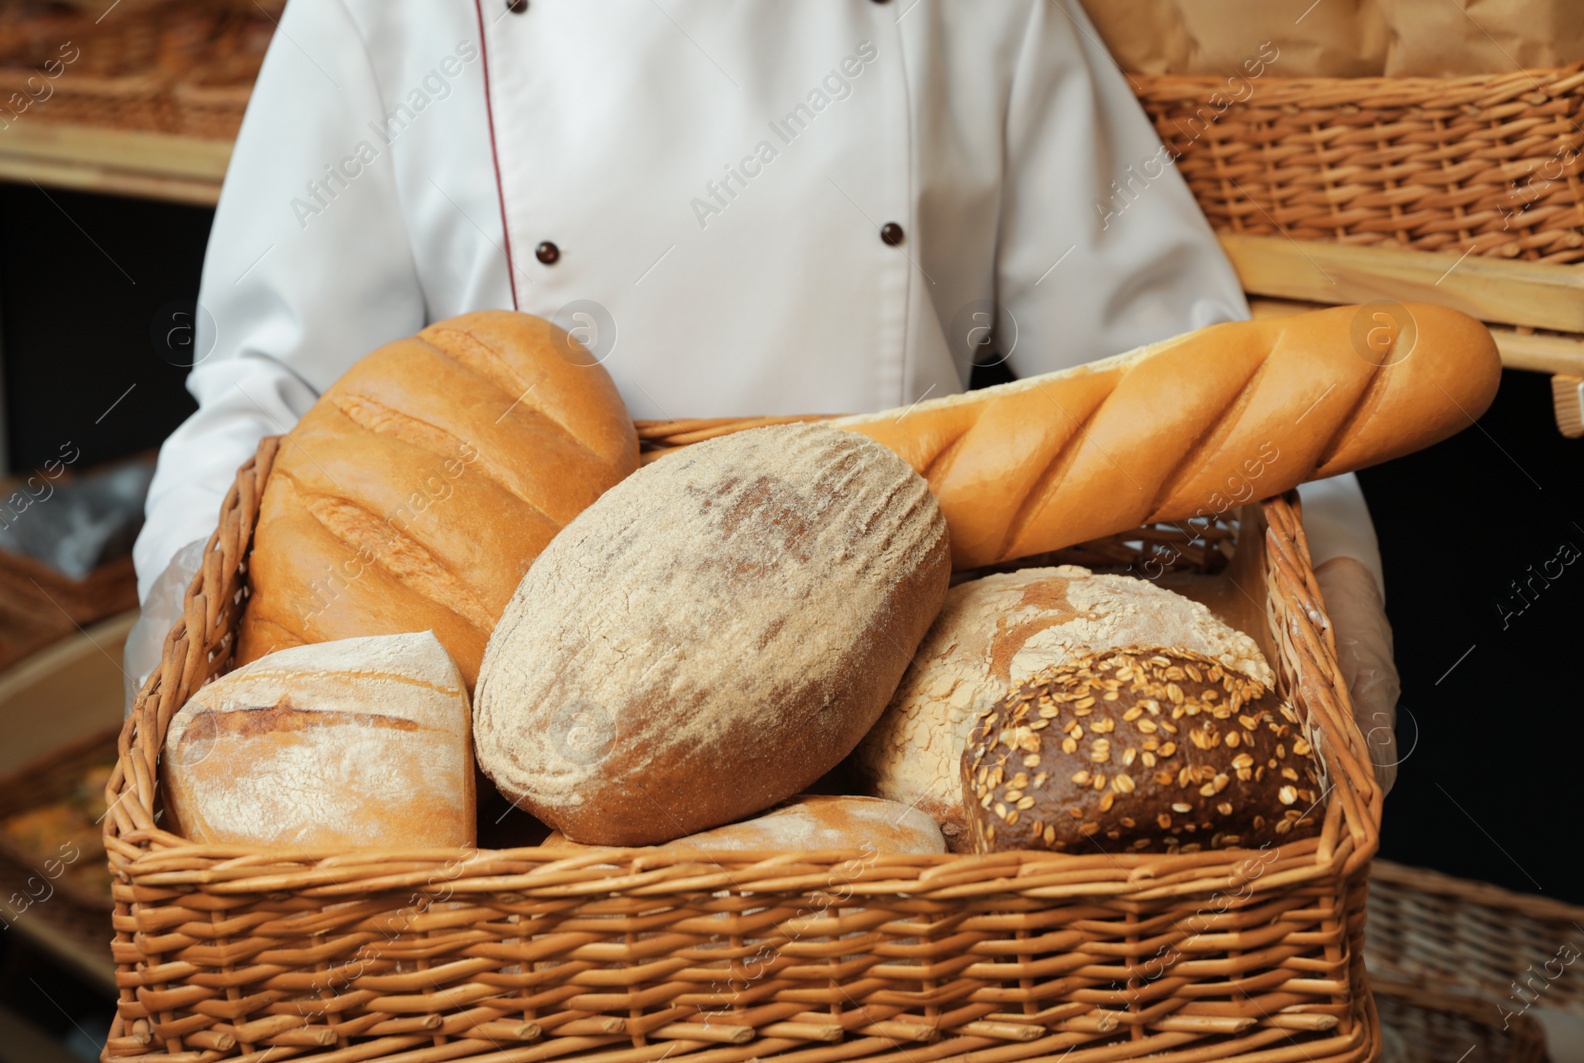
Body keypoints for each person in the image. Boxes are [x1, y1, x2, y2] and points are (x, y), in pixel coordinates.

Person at [128, 0, 1398, 788]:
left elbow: (1175, 366)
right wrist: (187, 568)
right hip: (535, 725)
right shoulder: (381, 15)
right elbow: (271, 382)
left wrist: (1332, 573)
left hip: (908, 690)